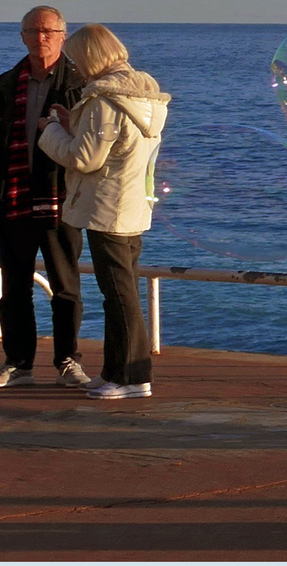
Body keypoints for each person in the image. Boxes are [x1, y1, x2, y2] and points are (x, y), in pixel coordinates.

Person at [38, 24, 170, 401]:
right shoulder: (144, 97)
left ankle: (132, 377)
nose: (74, 67)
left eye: (77, 59)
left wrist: (50, 131)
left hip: (105, 208)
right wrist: (72, 125)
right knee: (122, 291)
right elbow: (115, 149)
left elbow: (85, 159)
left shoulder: (104, 100)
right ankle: (115, 370)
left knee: (118, 295)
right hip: (132, 206)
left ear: (90, 56)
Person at [0, 6, 91, 389]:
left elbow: (93, 146)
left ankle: (68, 360)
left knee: (66, 287)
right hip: (12, 198)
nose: (41, 38)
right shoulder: (3, 86)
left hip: (62, 200)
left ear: (62, 35)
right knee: (15, 288)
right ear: (22, 36)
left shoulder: (81, 84)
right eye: (33, 31)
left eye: (49, 31)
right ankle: (18, 362)